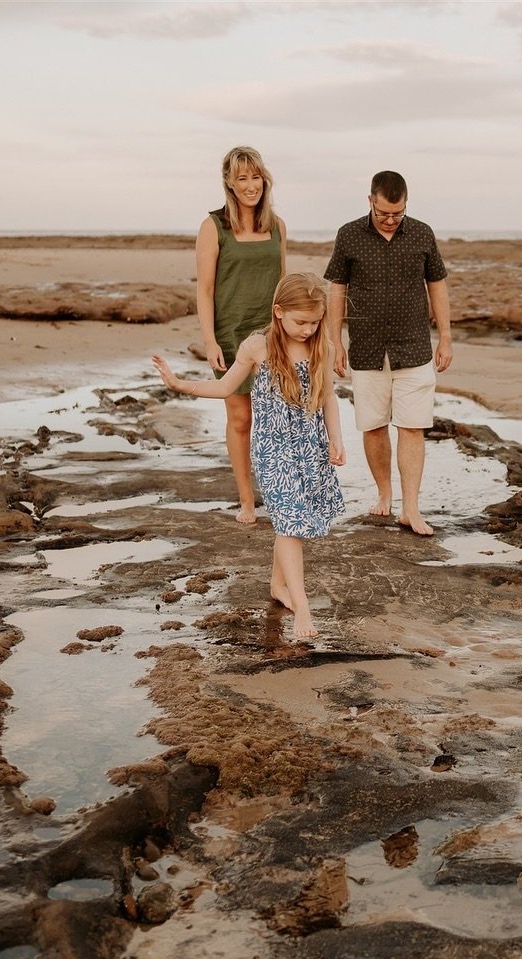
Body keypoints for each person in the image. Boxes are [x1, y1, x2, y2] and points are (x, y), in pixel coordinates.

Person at [153, 273, 344, 639]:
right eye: (300, 322)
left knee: (291, 523)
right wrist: (179, 384)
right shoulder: (258, 347)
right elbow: (226, 386)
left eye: (315, 322)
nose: (308, 329)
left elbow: (328, 397)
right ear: (278, 312)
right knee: (290, 523)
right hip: (273, 449)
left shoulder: (323, 347)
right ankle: (303, 609)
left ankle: (278, 585)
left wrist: (336, 439)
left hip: (310, 447)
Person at [324, 170, 451, 537]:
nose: (391, 220)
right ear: (370, 202)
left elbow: (437, 286)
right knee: (374, 426)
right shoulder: (349, 235)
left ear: (406, 204)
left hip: (413, 346)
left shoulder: (422, 233)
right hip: (366, 347)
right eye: (384, 214)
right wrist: (335, 342)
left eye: (398, 213)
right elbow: (336, 289)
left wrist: (446, 337)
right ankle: (384, 493)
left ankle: (411, 508)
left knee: (412, 427)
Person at [196, 145, 287, 524]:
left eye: (255, 176)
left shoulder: (277, 225)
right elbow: (204, 289)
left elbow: (284, 283)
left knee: (280, 417)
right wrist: (210, 341)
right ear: (230, 184)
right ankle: (247, 500)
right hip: (231, 333)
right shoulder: (213, 226)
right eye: (242, 178)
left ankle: (283, 492)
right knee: (240, 418)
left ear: (264, 179)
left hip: (273, 336)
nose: (251, 185)